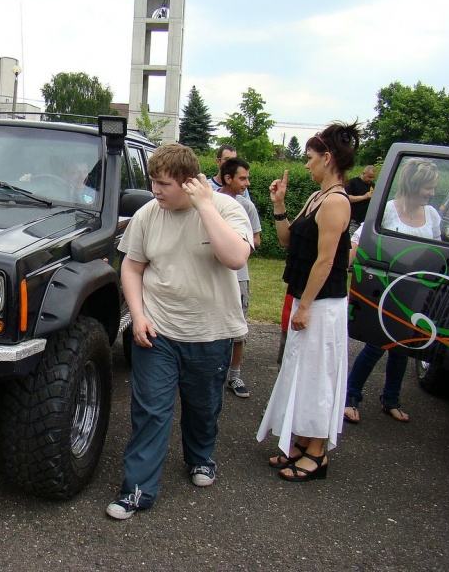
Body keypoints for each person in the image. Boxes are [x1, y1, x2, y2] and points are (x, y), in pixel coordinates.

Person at [105, 143, 253, 519]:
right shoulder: (148, 214)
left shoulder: (226, 208)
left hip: (210, 333)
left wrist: (205, 205)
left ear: (189, 183)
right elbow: (132, 267)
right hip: (159, 333)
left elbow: (235, 257)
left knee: (203, 407)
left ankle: (201, 457)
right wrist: (137, 316)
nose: (155, 190)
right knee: (151, 412)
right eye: (153, 182)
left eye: (164, 184)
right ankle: (137, 490)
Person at [256, 122, 359, 482]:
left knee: (316, 375)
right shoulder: (317, 197)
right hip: (307, 298)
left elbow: (326, 261)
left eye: (310, 158)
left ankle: (317, 454)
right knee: (300, 371)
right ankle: (301, 442)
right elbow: (288, 242)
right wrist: (280, 205)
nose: (306, 165)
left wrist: (304, 307)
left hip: (322, 305)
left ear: (327, 158)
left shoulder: (335, 201)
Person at [344, 158, 441, 424]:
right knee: (378, 345)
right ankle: (351, 397)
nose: (432, 193)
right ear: (413, 185)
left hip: (417, 295)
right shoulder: (387, 211)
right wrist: (344, 263)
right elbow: (358, 238)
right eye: (428, 188)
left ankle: (391, 400)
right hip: (388, 291)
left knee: (403, 349)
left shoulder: (432, 215)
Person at [217, 156, 261, 398]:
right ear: (228, 178)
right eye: (242, 178)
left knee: (238, 327)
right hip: (212, 275)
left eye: (248, 178)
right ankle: (211, 373)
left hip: (238, 277)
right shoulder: (208, 202)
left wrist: (236, 248)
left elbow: (256, 240)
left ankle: (234, 376)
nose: (247, 183)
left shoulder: (247, 207)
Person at [345, 164, 376, 235]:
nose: (371, 179)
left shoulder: (372, 185)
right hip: (353, 220)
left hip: (366, 222)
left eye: (373, 177)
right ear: (363, 173)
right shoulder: (352, 182)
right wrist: (363, 197)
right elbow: (346, 198)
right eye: (369, 177)